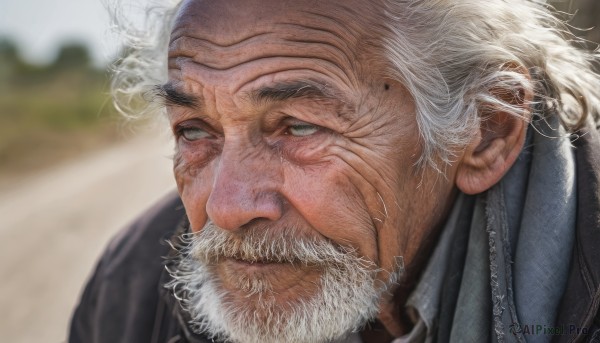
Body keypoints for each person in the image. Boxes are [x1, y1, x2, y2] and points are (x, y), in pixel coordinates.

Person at [69, 0, 600, 342]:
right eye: (195, 131)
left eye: (299, 127)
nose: (224, 208)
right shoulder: (132, 285)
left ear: (486, 131)